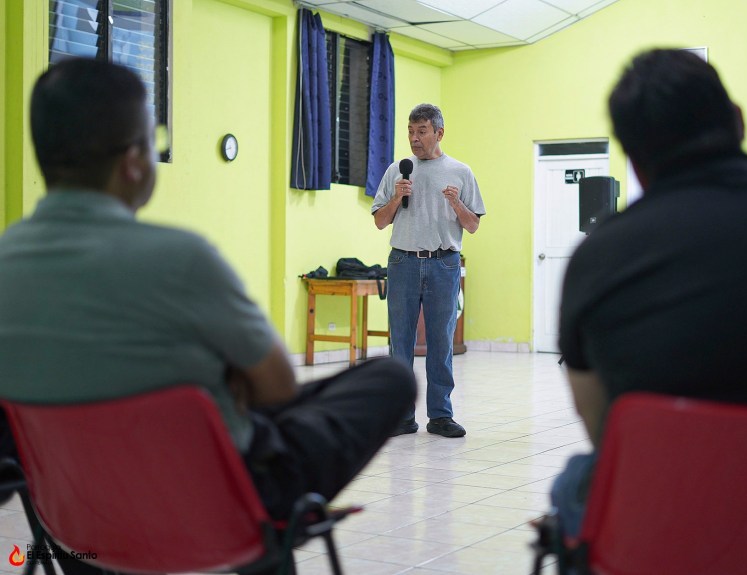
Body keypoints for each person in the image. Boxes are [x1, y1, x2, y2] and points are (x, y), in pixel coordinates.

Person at [0, 58, 416, 570]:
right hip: (217, 512)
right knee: (389, 377)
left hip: (75, 528)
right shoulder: (181, 258)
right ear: (133, 161)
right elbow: (280, 388)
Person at [551, 48, 747, 546]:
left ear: (633, 157)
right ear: (738, 121)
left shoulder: (601, 255)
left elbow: (601, 430)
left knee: (573, 479)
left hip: (670, 531)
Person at [372, 103, 486, 438]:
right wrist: (396, 198)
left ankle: (440, 415)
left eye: (421, 131)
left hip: (444, 263)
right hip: (403, 261)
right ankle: (402, 417)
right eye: (410, 131)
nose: (414, 138)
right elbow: (380, 221)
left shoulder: (461, 172)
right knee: (401, 342)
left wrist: (456, 203)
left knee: (441, 341)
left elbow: (473, 225)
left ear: (439, 132)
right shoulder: (397, 170)